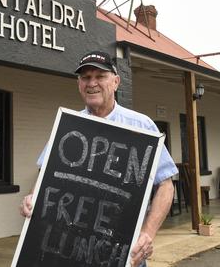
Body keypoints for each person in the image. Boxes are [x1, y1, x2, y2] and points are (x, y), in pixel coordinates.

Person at [20, 50, 178, 266]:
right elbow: (44, 178)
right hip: (70, 252)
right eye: (85, 77)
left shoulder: (142, 127)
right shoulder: (68, 128)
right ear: (79, 84)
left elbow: (166, 185)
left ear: (116, 82)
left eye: (100, 76)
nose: (91, 82)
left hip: (122, 254)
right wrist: (31, 199)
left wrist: (146, 234)